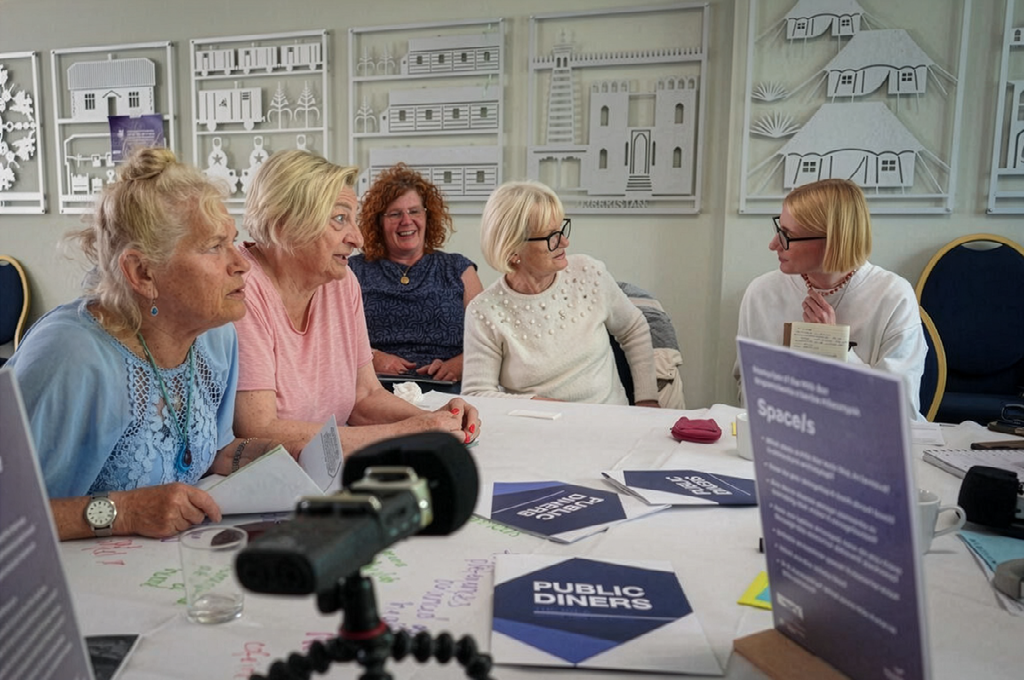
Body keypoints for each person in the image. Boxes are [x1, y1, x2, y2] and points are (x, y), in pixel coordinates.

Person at [7, 148, 277, 541]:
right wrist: (125, 512)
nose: (241, 264)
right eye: (215, 247)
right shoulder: (69, 358)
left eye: (234, 242)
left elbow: (191, 455)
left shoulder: (215, 338)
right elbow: (9, 514)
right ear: (142, 272)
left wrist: (251, 456)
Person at [232, 150, 480, 455]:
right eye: (339, 219)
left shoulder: (341, 281)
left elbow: (364, 397)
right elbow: (258, 430)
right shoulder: (240, 285)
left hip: (329, 467)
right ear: (286, 223)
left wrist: (437, 420)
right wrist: (404, 432)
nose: (358, 238)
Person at [735, 178, 927, 418]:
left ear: (832, 241)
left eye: (787, 235)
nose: (774, 244)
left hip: (863, 446)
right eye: (778, 229)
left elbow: (903, 411)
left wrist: (835, 350)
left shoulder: (893, 297)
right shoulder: (761, 293)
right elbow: (747, 388)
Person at [462, 180, 659, 406]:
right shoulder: (484, 311)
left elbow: (634, 328)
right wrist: (541, 404)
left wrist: (647, 399)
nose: (565, 242)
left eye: (561, 229)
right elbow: (476, 393)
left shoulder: (589, 273)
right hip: (535, 428)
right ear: (513, 249)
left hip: (608, 421)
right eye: (551, 236)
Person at [350, 163, 483, 385]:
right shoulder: (353, 271)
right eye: (395, 214)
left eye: (414, 211)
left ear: (427, 217)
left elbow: (489, 339)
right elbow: (330, 336)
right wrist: (372, 357)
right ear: (378, 222)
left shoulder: (459, 269)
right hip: (373, 386)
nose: (406, 221)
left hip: (448, 388)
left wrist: (459, 365)